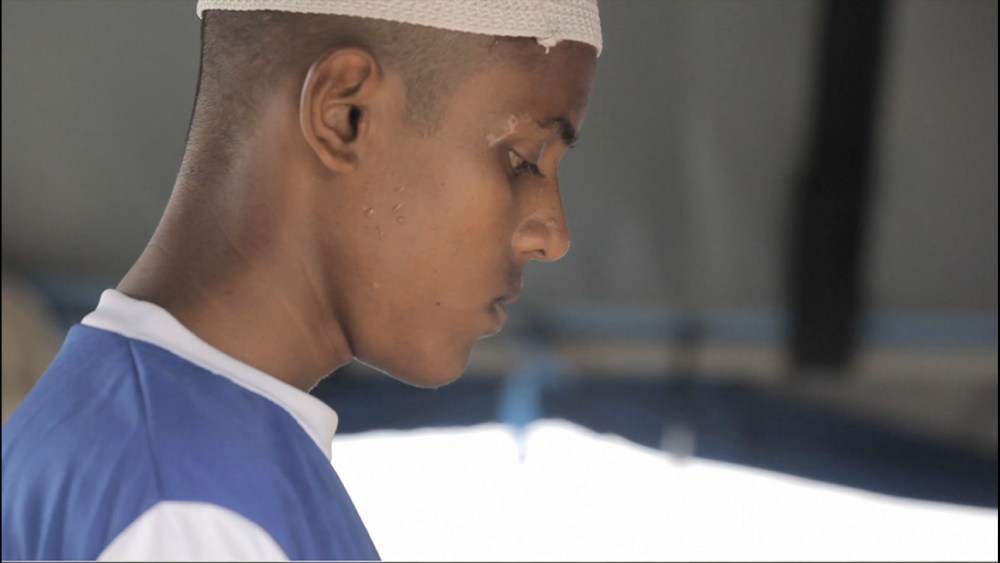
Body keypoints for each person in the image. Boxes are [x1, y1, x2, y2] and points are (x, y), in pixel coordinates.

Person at [2, 0, 601, 559]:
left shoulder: (151, 445)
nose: (554, 235)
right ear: (343, 115)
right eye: (523, 159)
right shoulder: (187, 504)